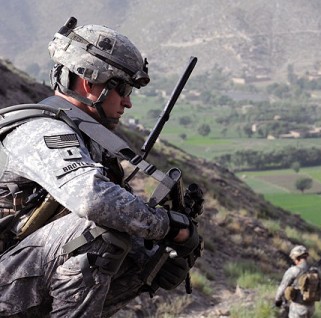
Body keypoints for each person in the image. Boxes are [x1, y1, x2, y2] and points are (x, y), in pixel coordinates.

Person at [0, 17, 200, 317]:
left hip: (18, 275)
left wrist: (164, 253)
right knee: (100, 230)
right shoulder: (42, 131)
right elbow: (94, 200)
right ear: (89, 81)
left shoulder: (90, 139)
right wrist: (168, 226)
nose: (128, 103)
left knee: (146, 255)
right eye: (123, 90)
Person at [274, 245, 317, 318]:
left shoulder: (294, 270)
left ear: (296, 257)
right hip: (311, 308)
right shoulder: (314, 270)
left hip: (298, 308)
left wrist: (277, 300)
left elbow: (282, 287)